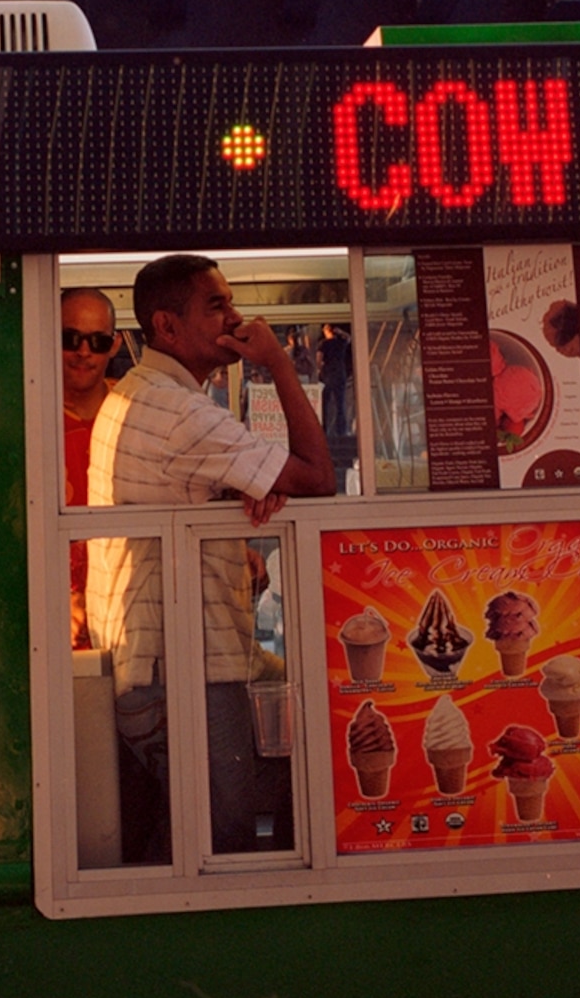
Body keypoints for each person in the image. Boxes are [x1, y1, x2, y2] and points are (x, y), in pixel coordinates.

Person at [85, 255, 338, 859]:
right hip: (185, 668)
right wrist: (278, 362)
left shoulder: (142, 394)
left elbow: (228, 479)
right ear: (168, 328)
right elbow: (320, 476)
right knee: (219, 836)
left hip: (162, 658)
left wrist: (239, 490)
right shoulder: (182, 412)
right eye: (216, 305)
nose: (235, 316)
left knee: (317, 730)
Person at [59, 287, 120, 644]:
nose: (84, 351)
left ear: (113, 346)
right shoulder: (22, 422)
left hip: (129, 627)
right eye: (71, 338)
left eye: (97, 341)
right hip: (51, 632)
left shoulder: (139, 416)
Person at [316, 320, 359, 497]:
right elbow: (348, 339)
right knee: (340, 404)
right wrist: (341, 333)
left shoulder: (324, 344)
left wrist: (320, 370)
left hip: (328, 375)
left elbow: (319, 360)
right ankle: (341, 430)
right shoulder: (341, 341)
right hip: (340, 373)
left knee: (325, 404)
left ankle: (325, 430)